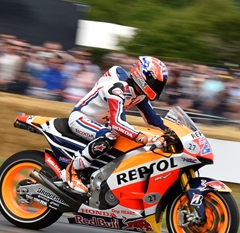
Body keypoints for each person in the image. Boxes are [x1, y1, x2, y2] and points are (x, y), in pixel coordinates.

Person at [60, 56, 170, 195]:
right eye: (155, 83)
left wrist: (173, 131)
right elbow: (117, 123)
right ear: (142, 77)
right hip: (82, 118)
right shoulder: (117, 88)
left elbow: (153, 119)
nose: (157, 87)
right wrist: (142, 137)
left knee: (127, 141)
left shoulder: (139, 94)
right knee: (109, 137)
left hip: (101, 123)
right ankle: (71, 171)